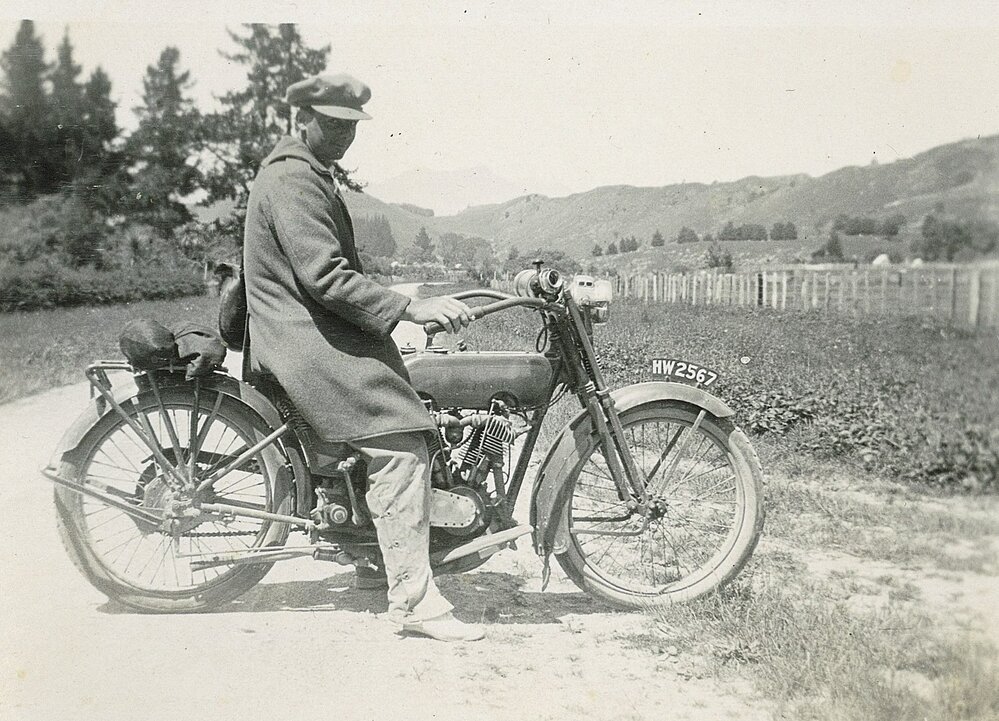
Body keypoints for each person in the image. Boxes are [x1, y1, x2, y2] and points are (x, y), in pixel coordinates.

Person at [242, 73, 483, 642]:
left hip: (300, 330)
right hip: (304, 339)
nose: (345, 134)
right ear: (299, 118)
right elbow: (324, 275)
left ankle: (375, 557)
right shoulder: (295, 180)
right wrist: (408, 310)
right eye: (332, 123)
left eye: (350, 125)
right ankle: (414, 602)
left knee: (399, 409)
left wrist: (403, 301)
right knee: (401, 439)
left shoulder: (300, 174)